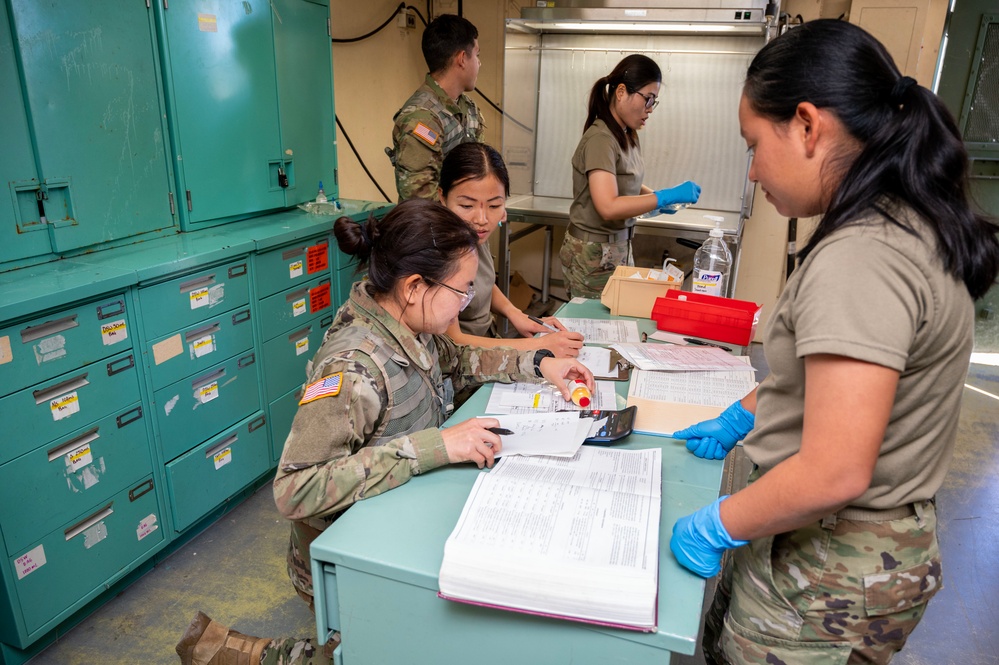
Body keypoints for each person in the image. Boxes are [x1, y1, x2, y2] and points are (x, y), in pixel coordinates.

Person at [668, 20, 999, 665]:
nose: (755, 169)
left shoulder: (863, 255)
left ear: (808, 125)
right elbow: (842, 382)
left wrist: (718, 524)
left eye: (754, 145)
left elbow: (836, 468)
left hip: (825, 572)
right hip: (851, 558)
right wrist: (748, 411)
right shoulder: (903, 221)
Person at [176, 199, 594, 665]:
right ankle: (251, 654)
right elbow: (295, 489)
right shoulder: (353, 367)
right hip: (344, 556)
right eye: (461, 291)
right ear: (415, 286)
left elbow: (459, 360)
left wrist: (540, 363)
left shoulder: (408, 320)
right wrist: (435, 446)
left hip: (396, 514)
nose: (465, 302)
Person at [558, 53, 701, 299]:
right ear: (621, 92)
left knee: (615, 321)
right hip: (594, 252)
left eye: (654, 102)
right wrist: (663, 197)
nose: (650, 109)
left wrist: (655, 196)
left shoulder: (626, 134)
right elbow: (608, 206)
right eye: (648, 99)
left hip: (617, 247)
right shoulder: (601, 139)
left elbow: (623, 180)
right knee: (592, 328)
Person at [439, 142, 584, 358]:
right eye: (467, 206)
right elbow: (455, 341)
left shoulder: (472, 233)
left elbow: (482, 282)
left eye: (494, 206)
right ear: (442, 198)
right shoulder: (437, 250)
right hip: (461, 362)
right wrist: (539, 345)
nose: (482, 219)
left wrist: (515, 314)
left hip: (487, 343)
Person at [389, 14, 484, 202]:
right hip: (435, 229)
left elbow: (480, 172)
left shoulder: (468, 109)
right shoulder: (421, 118)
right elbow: (419, 201)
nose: (479, 63)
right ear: (462, 59)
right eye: (477, 55)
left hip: (462, 226)